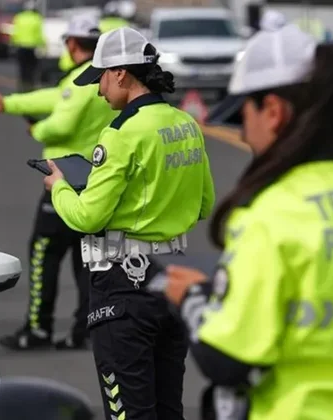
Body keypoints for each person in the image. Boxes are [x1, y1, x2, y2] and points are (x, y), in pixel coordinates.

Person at [155, 17, 333, 420]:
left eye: (244, 117)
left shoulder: (270, 216)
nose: (243, 135)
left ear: (273, 111)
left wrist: (192, 299)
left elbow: (229, 358)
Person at [42, 27, 216, 420]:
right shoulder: (186, 124)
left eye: (101, 78)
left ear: (120, 73)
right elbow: (203, 204)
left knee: (130, 412)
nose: (99, 90)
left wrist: (59, 188)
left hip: (123, 284)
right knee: (168, 409)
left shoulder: (121, 133)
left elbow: (88, 217)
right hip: (170, 280)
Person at [0, 16, 118, 351]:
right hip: (97, 181)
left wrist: (36, 130)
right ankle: (86, 329)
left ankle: (38, 328)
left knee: (44, 253)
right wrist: (9, 104)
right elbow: (56, 97)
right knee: (88, 259)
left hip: (65, 180)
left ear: (71, 44)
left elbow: (61, 122)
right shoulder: (100, 78)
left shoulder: (81, 80)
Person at [10, 0, 44, 92]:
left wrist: (12, 43)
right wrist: (43, 44)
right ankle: (30, 87)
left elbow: (15, 32)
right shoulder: (36, 18)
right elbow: (39, 34)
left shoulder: (19, 17)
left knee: (22, 69)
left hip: (21, 47)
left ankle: (22, 86)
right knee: (32, 69)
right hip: (32, 47)